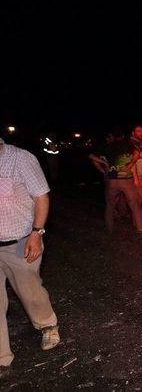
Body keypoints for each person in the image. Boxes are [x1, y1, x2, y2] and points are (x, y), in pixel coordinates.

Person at [0, 137, 60, 369]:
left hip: (21, 241)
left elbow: (41, 196)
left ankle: (47, 324)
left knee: (29, 290)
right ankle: (2, 356)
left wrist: (36, 233)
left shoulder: (21, 158)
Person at [89, 129, 142, 234]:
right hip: (126, 180)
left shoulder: (107, 146)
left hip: (111, 180)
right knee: (134, 204)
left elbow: (91, 156)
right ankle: (140, 228)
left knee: (110, 205)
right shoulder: (128, 144)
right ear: (122, 135)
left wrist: (103, 167)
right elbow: (137, 152)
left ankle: (109, 229)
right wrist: (130, 164)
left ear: (112, 135)